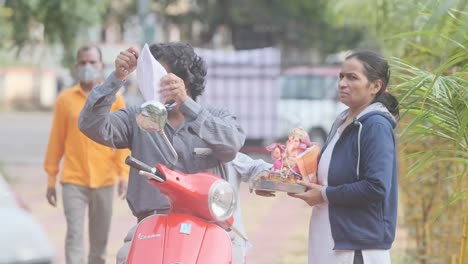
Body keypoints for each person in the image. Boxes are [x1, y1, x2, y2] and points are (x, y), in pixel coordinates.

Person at [77, 42, 246, 263]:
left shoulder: (214, 116)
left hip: (209, 226)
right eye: (152, 79)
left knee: (234, 256)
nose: (158, 86)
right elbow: (90, 125)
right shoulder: (140, 118)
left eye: (165, 79)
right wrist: (116, 79)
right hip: (153, 226)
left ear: (185, 80)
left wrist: (186, 104)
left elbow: (232, 145)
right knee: (124, 256)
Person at [289, 50, 399, 264]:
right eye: (341, 76)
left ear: (375, 86)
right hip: (331, 240)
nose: (342, 83)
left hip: (356, 247)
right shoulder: (344, 120)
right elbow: (334, 179)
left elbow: (376, 187)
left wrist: (325, 194)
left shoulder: (375, 126)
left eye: (352, 77)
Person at [44, 45, 130, 264]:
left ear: (102, 66)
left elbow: (121, 139)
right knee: (74, 236)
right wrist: (51, 179)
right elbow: (56, 140)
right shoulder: (65, 99)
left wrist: (124, 174)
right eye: (83, 62)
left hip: (105, 179)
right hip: (74, 179)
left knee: (99, 244)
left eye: (92, 62)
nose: (87, 67)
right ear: (76, 67)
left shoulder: (115, 99)